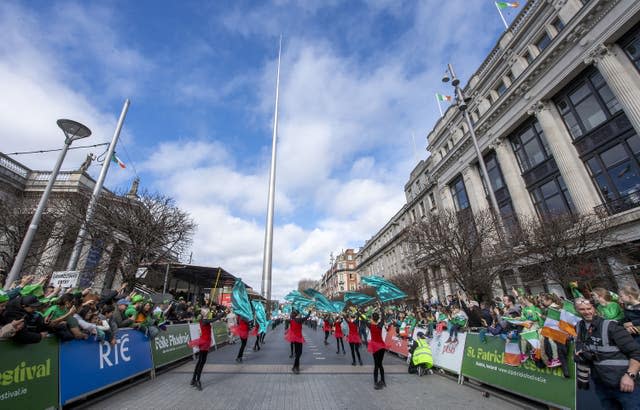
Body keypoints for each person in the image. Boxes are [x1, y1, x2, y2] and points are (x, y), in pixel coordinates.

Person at [574, 297, 640, 408]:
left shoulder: (611, 326)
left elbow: (636, 352)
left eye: (589, 308)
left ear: (594, 308)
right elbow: (583, 350)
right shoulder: (579, 327)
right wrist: (581, 355)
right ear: (576, 310)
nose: (587, 312)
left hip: (624, 382)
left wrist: (630, 375)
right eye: (582, 309)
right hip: (601, 384)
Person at [187, 306, 226, 391]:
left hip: (206, 341)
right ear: (204, 313)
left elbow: (213, 319)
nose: (208, 313)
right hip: (204, 342)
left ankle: (194, 379)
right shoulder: (204, 320)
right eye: (207, 312)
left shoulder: (205, 320)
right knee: (201, 361)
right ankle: (197, 380)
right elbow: (215, 319)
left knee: (201, 361)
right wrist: (224, 312)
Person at [285, 309, 311, 374]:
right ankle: (295, 367)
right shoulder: (299, 320)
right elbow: (306, 317)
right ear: (297, 314)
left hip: (294, 338)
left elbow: (286, 321)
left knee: (297, 353)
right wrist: (309, 312)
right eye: (299, 314)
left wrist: (286, 328)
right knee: (299, 353)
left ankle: (296, 367)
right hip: (298, 338)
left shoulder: (292, 320)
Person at [368, 309, 388, 390]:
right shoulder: (380, 325)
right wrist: (382, 308)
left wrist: (358, 311)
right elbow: (383, 317)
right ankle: (383, 381)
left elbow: (362, 318)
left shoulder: (370, 325)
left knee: (376, 365)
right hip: (381, 346)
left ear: (372, 318)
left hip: (375, 346)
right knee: (380, 364)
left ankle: (376, 382)